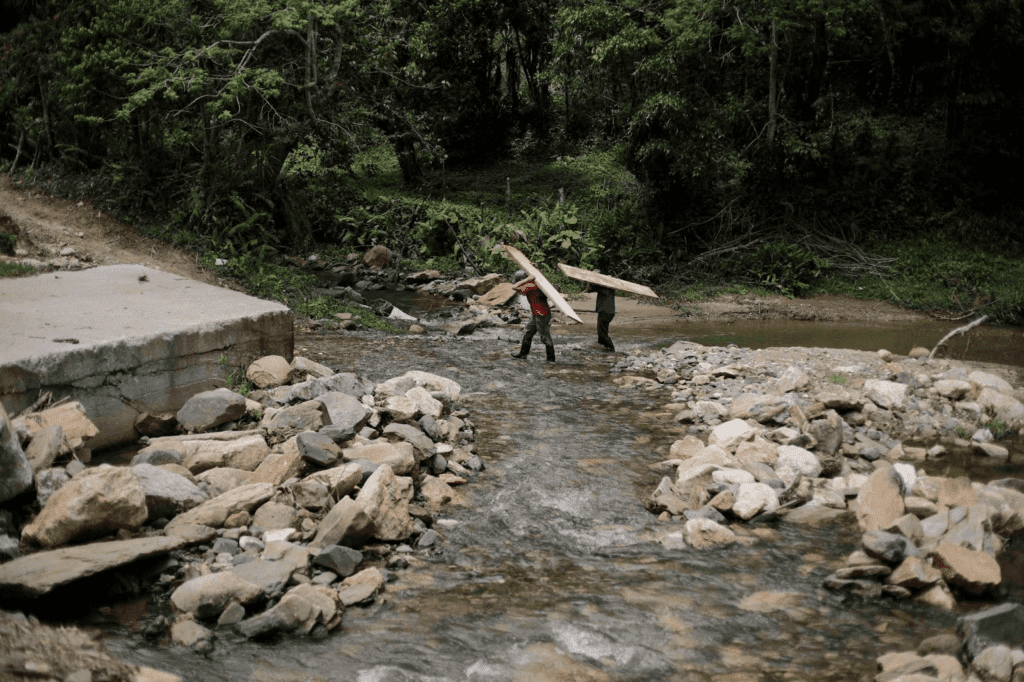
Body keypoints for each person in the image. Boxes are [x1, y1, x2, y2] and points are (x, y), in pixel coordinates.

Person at [510, 269, 556, 362]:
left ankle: (551, 360)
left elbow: (514, 287)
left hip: (542, 314)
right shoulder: (534, 283)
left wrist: (527, 279)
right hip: (537, 313)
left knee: (545, 337)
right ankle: (523, 354)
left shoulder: (530, 285)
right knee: (528, 332)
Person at [587, 272, 615, 352]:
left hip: (605, 311)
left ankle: (611, 349)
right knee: (601, 332)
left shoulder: (604, 287)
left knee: (602, 333)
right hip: (607, 311)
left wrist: (589, 280)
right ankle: (603, 348)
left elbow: (589, 289)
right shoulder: (610, 287)